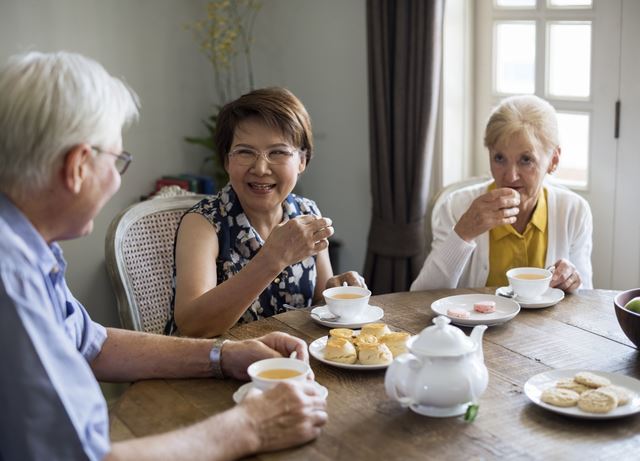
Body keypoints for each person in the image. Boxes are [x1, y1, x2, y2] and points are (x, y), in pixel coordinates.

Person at [0, 51, 327, 461]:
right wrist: (248, 426)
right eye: (117, 160)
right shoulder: (10, 276)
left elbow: (92, 343)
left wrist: (225, 356)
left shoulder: (30, 250)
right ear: (78, 166)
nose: (118, 179)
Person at [166, 87, 365, 338]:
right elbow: (193, 326)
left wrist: (336, 291)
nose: (260, 168)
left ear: (302, 160)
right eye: (245, 152)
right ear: (227, 161)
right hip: (214, 367)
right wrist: (273, 259)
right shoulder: (204, 223)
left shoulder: (306, 213)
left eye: (278, 152)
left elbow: (319, 302)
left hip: (292, 364)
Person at [411, 95, 593, 292]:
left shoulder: (574, 212)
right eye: (499, 158)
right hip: (475, 323)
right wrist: (463, 233)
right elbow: (421, 296)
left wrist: (572, 282)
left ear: (553, 161)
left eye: (526, 159)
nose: (510, 176)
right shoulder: (456, 206)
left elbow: (584, 299)